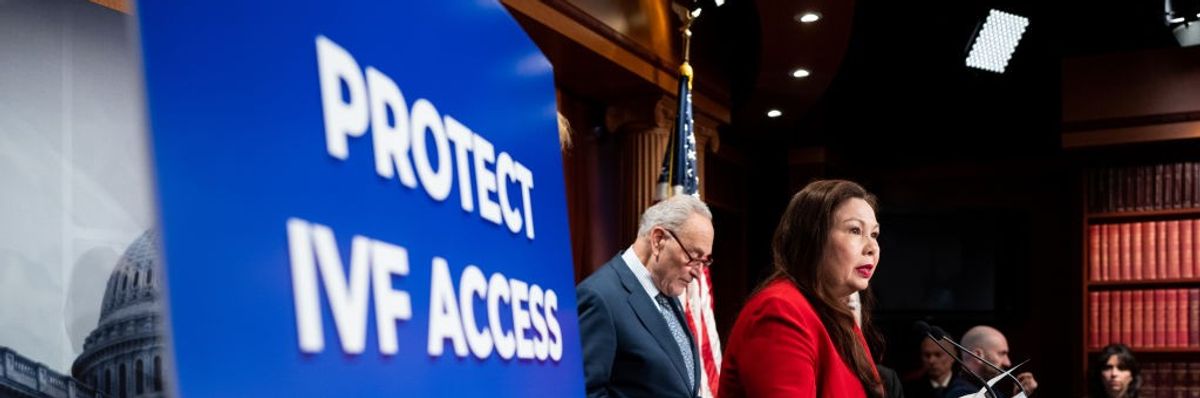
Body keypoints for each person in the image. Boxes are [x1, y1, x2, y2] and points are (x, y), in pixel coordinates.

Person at [719, 179, 885, 398]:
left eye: (874, 234)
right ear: (813, 237)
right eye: (855, 230)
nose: (872, 248)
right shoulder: (780, 310)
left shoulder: (836, 314)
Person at [576, 194, 713, 398]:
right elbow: (585, 393)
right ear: (658, 240)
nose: (697, 272)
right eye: (693, 257)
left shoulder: (668, 292)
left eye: (704, 261)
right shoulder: (599, 297)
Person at [943, 326, 1039, 398]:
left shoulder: (988, 389)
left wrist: (1019, 395)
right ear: (978, 355)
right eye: (1002, 354)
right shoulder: (962, 393)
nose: (1008, 363)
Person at [903, 329, 956, 398]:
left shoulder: (967, 388)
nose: (931, 361)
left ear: (953, 355)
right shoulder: (909, 390)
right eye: (927, 355)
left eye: (938, 355)